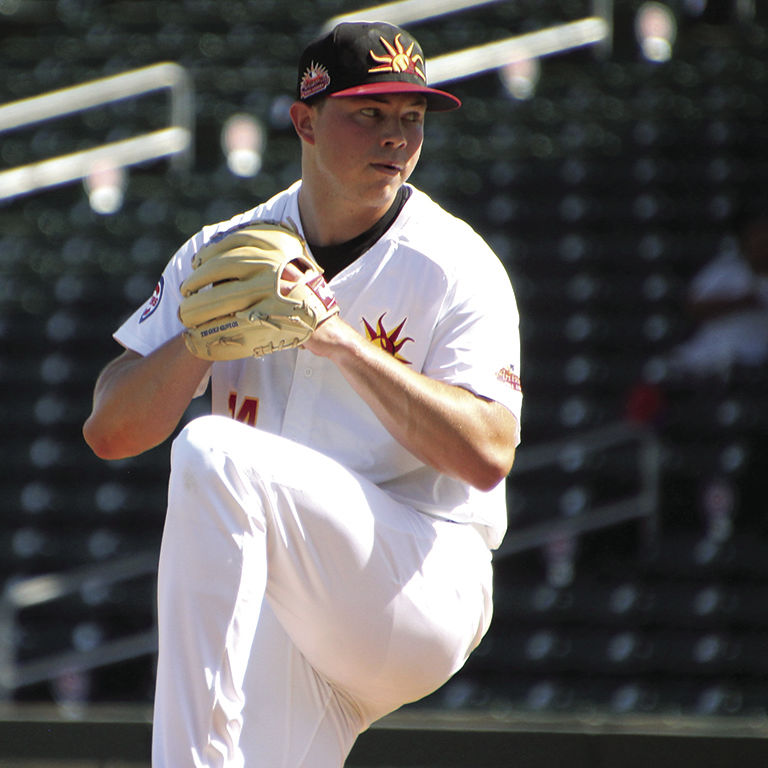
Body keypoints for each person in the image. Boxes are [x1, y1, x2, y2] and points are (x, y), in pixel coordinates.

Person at [83, 21, 522, 767]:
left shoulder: (455, 263)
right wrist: (200, 339)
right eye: (369, 113)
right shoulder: (227, 248)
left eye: (411, 118)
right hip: (297, 612)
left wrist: (340, 341)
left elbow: (488, 454)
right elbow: (110, 430)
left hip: (422, 578)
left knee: (215, 452)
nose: (396, 136)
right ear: (304, 122)